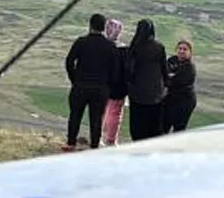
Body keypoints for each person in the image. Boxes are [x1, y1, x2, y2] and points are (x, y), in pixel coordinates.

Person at [62, 13, 120, 151]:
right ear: (104, 27)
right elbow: (115, 69)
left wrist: (74, 79)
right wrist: (108, 85)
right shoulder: (110, 46)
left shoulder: (81, 42)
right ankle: (94, 146)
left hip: (81, 85)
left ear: (90, 26)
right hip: (100, 88)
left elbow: (69, 61)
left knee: (75, 115)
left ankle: (71, 143)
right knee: (96, 119)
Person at [125, 18, 168, 141]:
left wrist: (129, 83)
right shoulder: (159, 47)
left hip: (138, 93)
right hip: (155, 93)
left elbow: (129, 69)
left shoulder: (135, 47)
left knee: (138, 123)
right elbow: (164, 69)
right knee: (154, 123)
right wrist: (166, 85)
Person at [101, 18, 130, 146]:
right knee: (115, 113)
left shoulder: (101, 46)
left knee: (99, 112)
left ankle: (96, 137)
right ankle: (111, 140)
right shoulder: (124, 49)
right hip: (118, 87)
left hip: (101, 84)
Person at [163, 39, 198, 134]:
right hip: (170, 99)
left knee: (179, 129)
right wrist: (169, 77)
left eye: (185, 49)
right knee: (163, 126)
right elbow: (163, 74)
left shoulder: (189, 68)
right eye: (180, 48)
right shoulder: (172, 60)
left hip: (184, 102)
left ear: (190, 52)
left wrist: (170, 77)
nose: (181, 51)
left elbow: (174, 82)